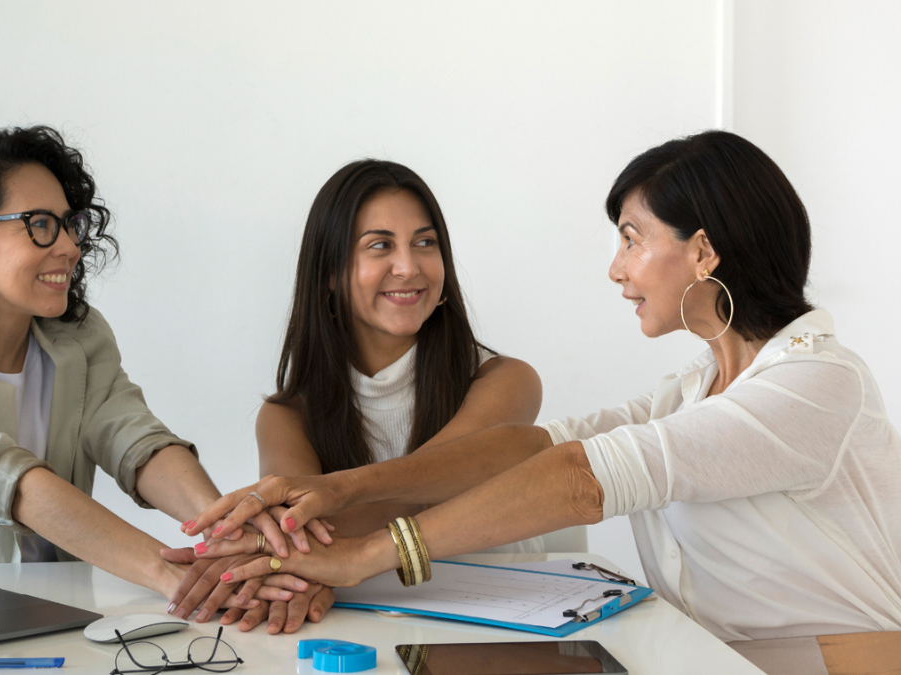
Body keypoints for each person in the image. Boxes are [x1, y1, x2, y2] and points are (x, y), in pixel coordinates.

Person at [183, 131, 901, 650]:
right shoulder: (692, 389)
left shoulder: (815, 384)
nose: (616, 270)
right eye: (378, 245)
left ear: (704, 252)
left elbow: (584, 477)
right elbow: (532, 448)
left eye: (630, 238)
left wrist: (361, 554)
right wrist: (337, 492)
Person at [0, 126, 301, 613]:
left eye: (69, 224)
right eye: (39, 224)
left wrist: (227, 531)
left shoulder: (80, 337)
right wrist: (171, 574)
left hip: (55, 609)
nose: (70, 247)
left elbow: (134, 439)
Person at [163, 159, 543, 632]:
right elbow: (305, 542)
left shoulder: (506, 380)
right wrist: (282, 564)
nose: (408, 267)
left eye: (425, 243)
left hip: (504, 623)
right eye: (380, 245)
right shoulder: (286, 416)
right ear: (329, 272)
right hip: (357, 624)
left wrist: (293, 536)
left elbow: (427, 488)